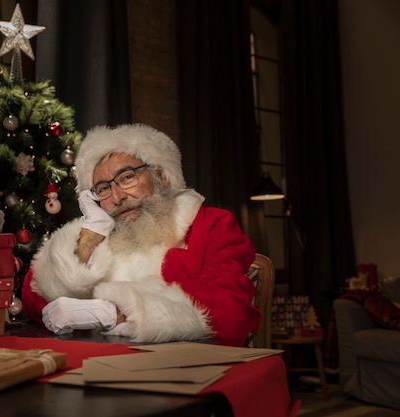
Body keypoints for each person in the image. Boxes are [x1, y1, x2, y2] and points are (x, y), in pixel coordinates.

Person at [21, 124, 261, 346]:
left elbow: (232, 311)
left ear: (162, 177)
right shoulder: (100, 234)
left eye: (127, 177)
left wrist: (117, 312)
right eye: (103, 189)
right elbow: (32, 299)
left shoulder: (209, 224)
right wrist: (89, 237)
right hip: (103, 371)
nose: (117, 198)